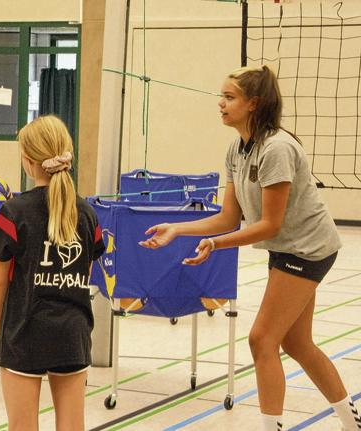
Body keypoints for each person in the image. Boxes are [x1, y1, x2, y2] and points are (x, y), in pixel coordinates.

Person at [140, 65, 360, 431]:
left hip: (308, 248)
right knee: (297, 343)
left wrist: (215, 244)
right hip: (287, 247)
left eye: (229, 97)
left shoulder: (277, 149)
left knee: (262, 339)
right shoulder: (237, 149)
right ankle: (351, 421)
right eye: (221, 96)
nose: (220, 104)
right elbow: (228, 218)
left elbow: (267, 225)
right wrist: (178, 230)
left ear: (253, 104)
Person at [0, 115, 105, 431]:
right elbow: (86, 275)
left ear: (27, 161)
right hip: (73, 334)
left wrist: (3, 334)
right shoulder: (88, 215)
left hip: (24, 332)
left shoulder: (13, 212)